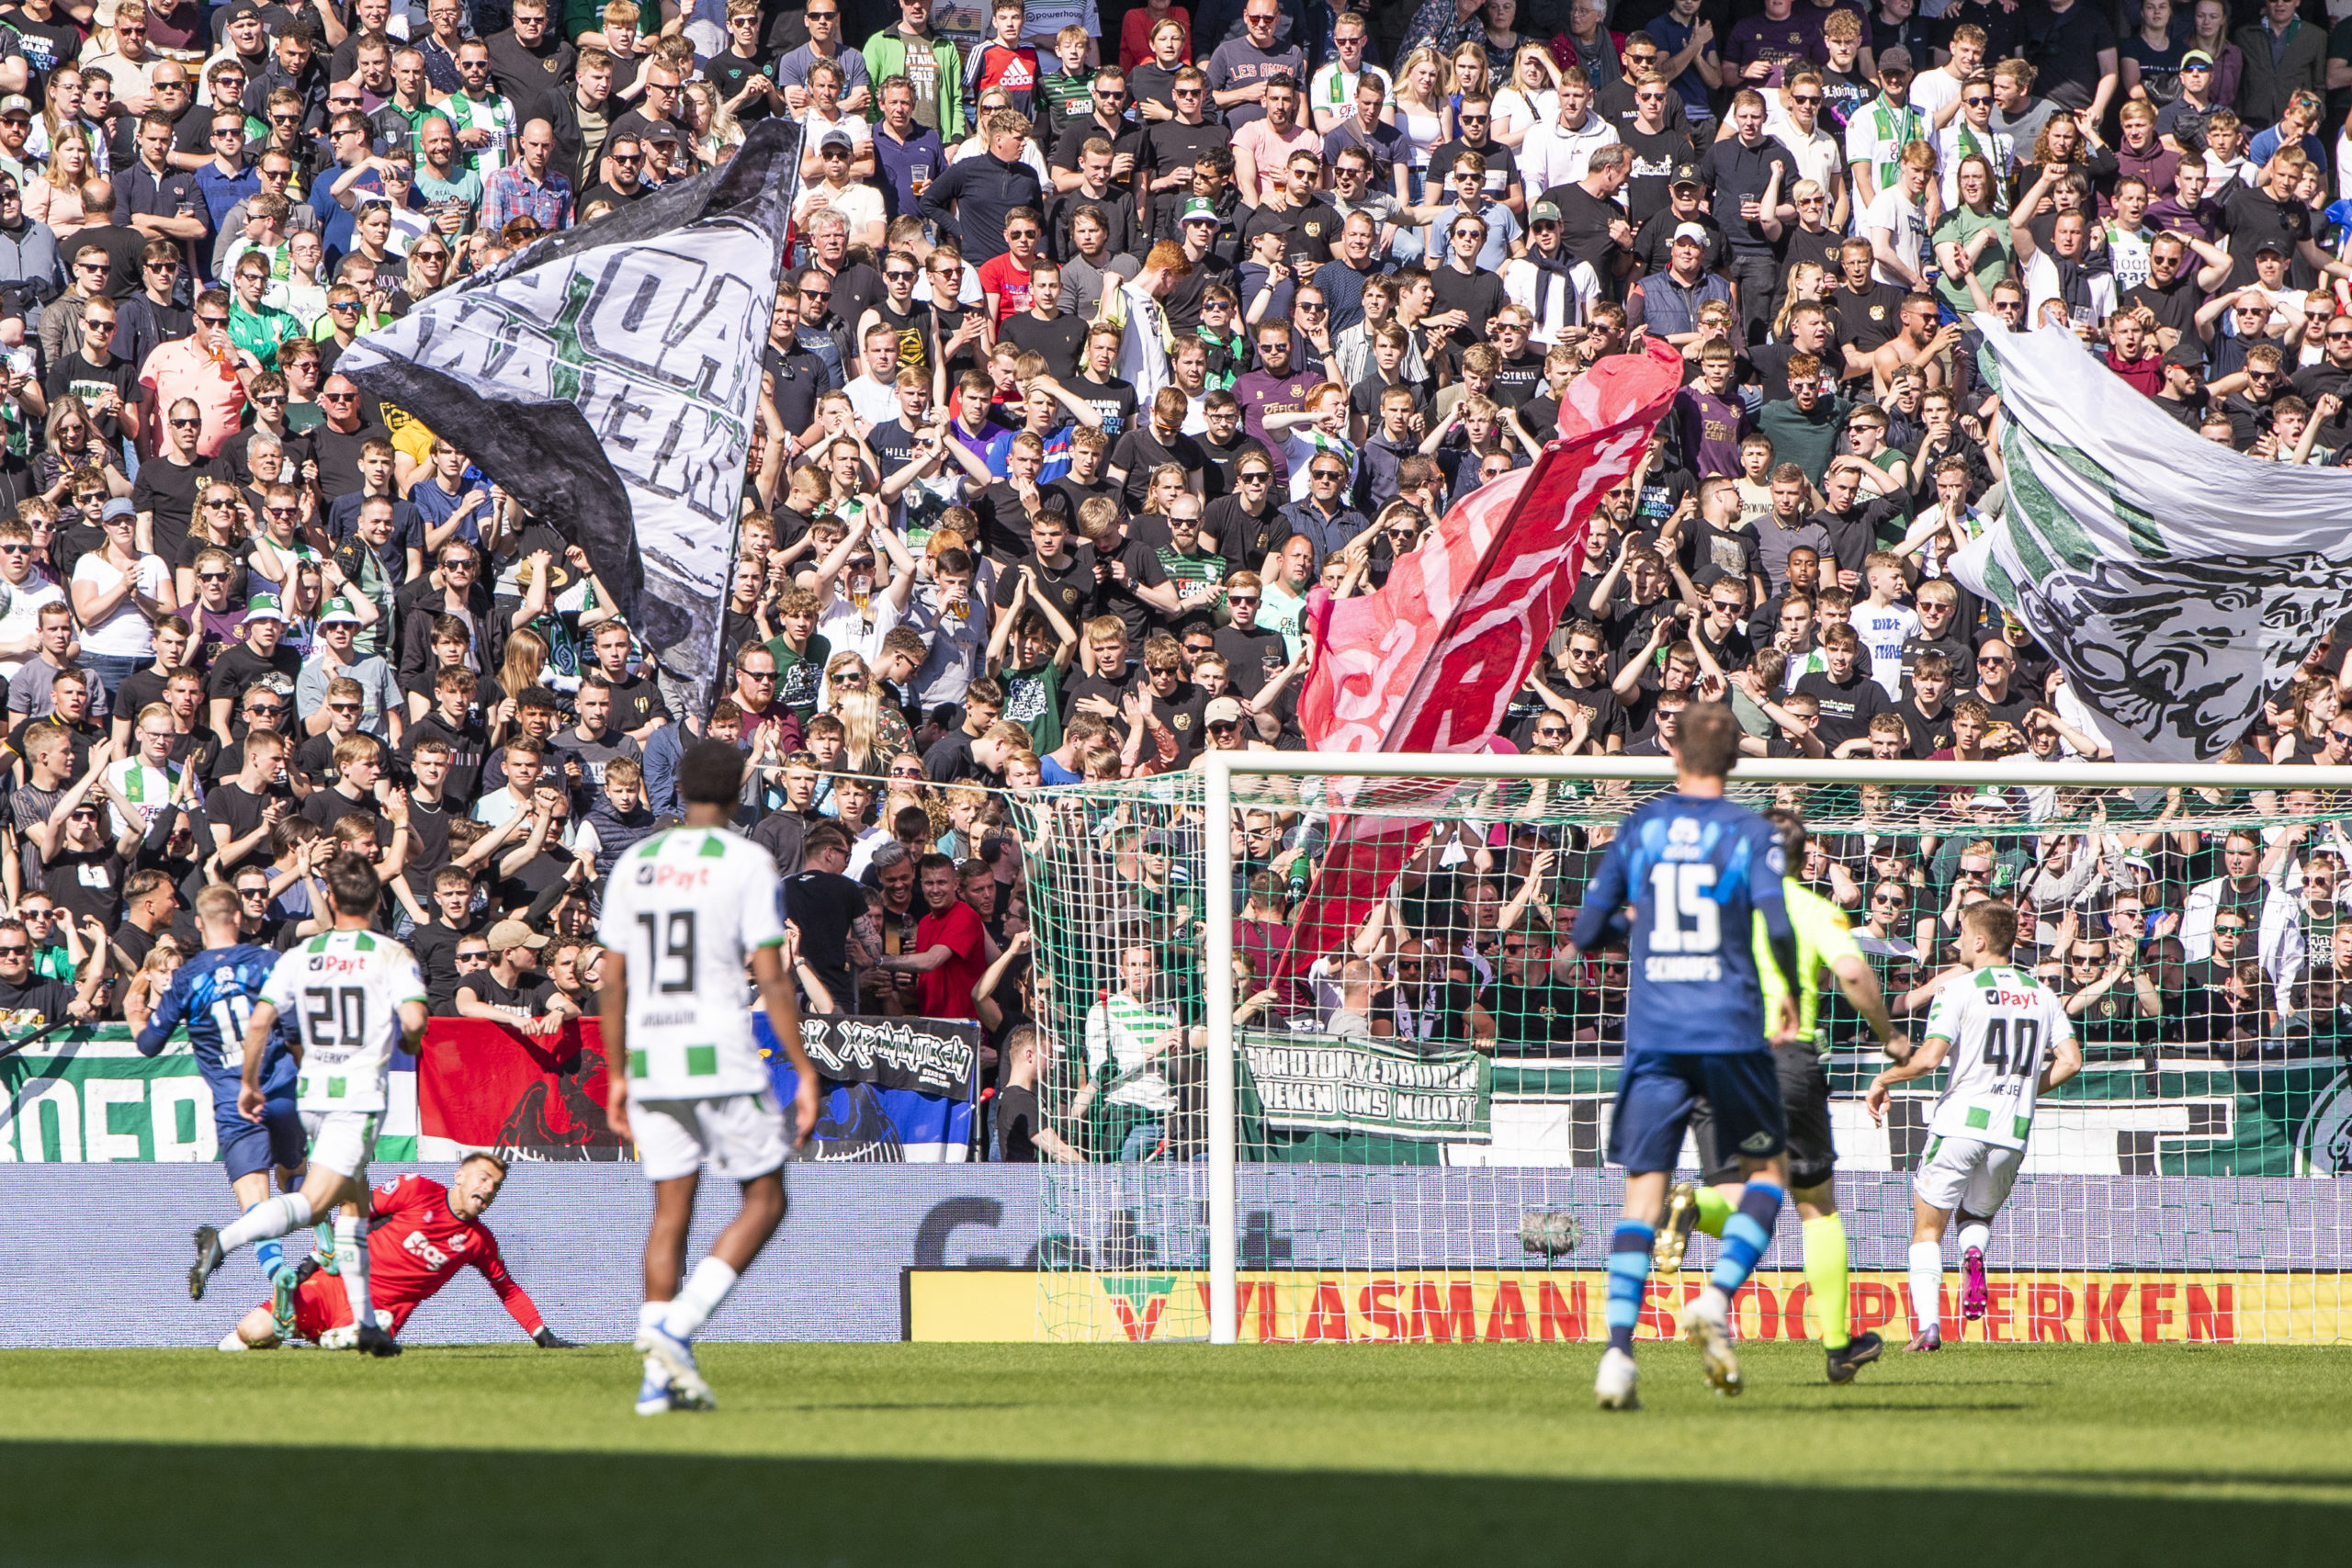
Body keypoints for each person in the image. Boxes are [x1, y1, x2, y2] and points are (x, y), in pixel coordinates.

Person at [1562, 701, 1801, 1409]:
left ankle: (1616, 1354)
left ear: (1675, 755)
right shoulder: (1750, 831)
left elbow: (1583, 927)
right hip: (1729, 1028)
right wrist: (1783, 986)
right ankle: (1717, 1293)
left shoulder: (1642, 827)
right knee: (1769, 1173)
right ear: (1734, 762)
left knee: (1641, 1197)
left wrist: (1636, 931)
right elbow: (1777, 919)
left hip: (1655, 1034)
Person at [599, 739, 820, 1416]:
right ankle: (674, 1324)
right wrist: (804, 1068)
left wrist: (615, 1071)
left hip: (652, 1053)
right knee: (765, 1198)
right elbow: (772, 974)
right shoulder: (748, 860)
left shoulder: (636, 861)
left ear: (681, 787)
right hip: (718, 1049)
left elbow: (611, 978)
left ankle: (657, 1381)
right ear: (734, 794)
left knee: (671, 1212)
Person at [1654, 808, 1909, 1385]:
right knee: (1815, 1202)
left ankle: (1693, 1204)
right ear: (1803, 860)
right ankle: (1840, 1345)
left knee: (1741, 1198)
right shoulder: (1815, 909)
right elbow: (1853, 973)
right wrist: (1889, 1036)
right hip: (1781, 1059)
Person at [187, 852, 431, 1360]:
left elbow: (260, 1022)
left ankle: (366, 1323)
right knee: (317, 1203)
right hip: (357, 1098)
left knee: (354, 1202)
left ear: (333, 900)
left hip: (309, 1092)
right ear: (378, 898)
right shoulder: (391, 954)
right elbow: (412, 1022)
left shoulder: (301, 956)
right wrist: (408, 1039)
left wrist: (250, 1082)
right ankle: (223, 1240)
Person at [1865, 899, 2083, 1350]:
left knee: (1927, 1229)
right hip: (2012, 1132)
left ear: (1980, 941)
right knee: (1976, 1215)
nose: (1958, 941)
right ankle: (1974, 1254)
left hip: (1961, 1125)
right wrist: (2024, 1090)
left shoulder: (1959, 989)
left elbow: (1928, 1060)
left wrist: (1883, 1079)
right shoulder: (2042, 994)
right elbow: (2071, 1061)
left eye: (1963, 933)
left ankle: (1928, 1327)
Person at [222, 1155, 577, 1351]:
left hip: (380, 1313)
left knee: (375, 1331)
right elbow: (353, 1212)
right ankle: (313, 1335)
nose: (488, 1189)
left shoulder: (478, 1242)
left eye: (495, 1186)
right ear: (459, 1176)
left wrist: (543, 1336)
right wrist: (313, 1262)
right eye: (483, 1178)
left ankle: (346, 1334)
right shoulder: (417, 1189)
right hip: (332, 1285)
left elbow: (508, 1290)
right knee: (251, 1330)